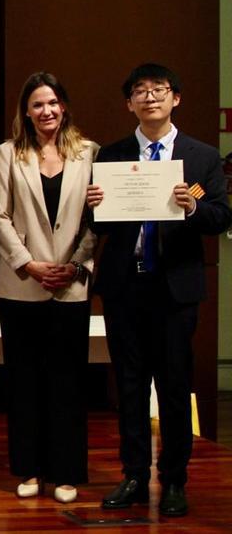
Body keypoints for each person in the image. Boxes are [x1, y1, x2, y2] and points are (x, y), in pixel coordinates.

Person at [88, 63, 231, 518]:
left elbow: (221, 217)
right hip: (126, 286)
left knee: (173, 387)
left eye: (159, 90)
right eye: (140, 91)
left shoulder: (201, 156)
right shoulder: (112, 155)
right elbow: (97, 226)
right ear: (129, 103)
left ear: (175, 98)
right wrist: (94, 207)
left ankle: (173, 480)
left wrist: (193, 209)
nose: (149, 97)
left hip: (175, 289)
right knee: (129, 386)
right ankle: (133, 475)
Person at [0, 72, 98, 504]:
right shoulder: (8, 153)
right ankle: (30, 469)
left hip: (70, 286)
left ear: (64, 106)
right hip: (22, 285)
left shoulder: (89, 152)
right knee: (24, 381)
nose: (46, 110)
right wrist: (29, 264)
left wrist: (75, 265)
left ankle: (66, 473)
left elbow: (97, 219)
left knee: (68, 382)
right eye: (37, 104)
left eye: (52, 102)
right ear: (27, 111)